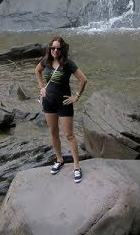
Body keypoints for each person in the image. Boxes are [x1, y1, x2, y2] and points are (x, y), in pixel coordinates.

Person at [35, 35, 89, 183]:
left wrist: (76, 96)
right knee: (53, 132)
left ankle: (77, 166)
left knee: (69, 135)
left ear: (62, 49)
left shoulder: (68, 64)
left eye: (58, 48)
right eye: (53, 48)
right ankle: (59, 159)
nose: (55, 51)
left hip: (64, 103)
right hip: (48, 103)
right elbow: (37, 71)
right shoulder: (45, 61)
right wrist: (41, 88)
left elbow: (83, 79)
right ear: (49, 48)